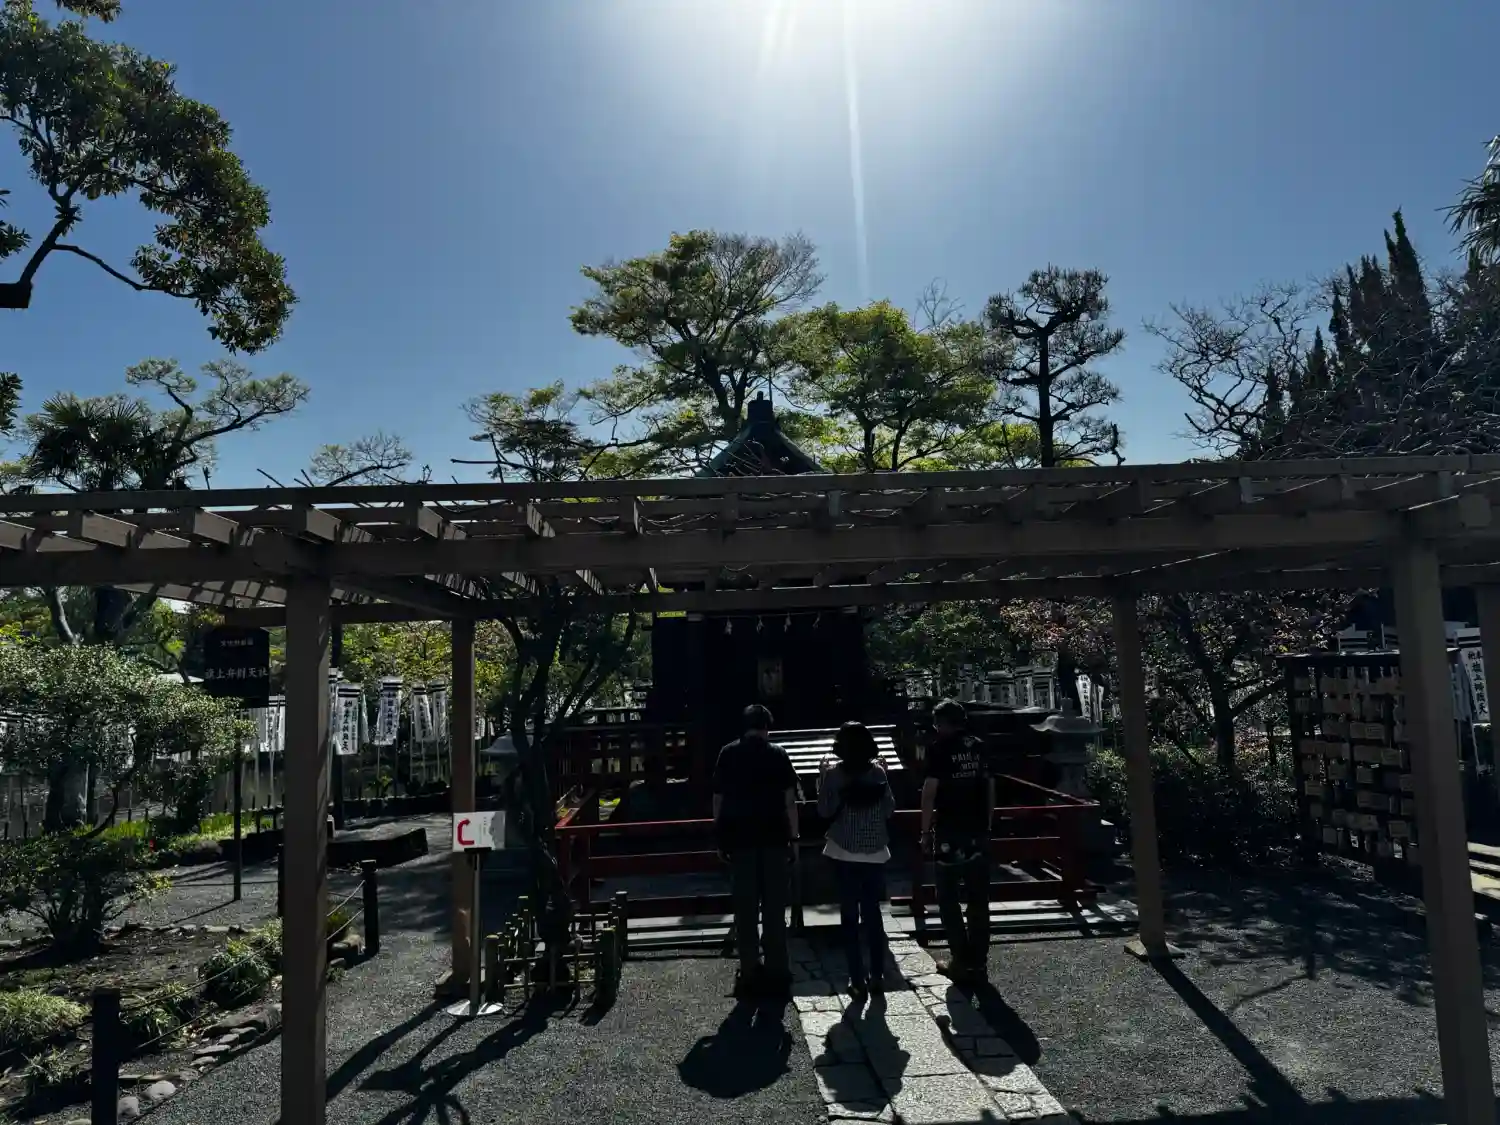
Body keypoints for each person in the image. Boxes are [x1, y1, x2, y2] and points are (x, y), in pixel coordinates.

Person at [713, 703, 800, 999]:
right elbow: (789, 801)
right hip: (774, 839)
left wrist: (720, 838)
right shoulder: (778, 754)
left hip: (740, 840)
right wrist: (794, 838)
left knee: (746, 910)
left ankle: (750, 971)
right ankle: (778, 970)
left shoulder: (728, 754)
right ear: (767, 727)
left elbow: (718, 799)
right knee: (774, 909)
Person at [817, 721, 896, 1001]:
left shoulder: (834, 775)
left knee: (849, 918)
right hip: (874, 852)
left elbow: (824, 811)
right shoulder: (877, 773)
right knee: (873, 916)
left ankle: (856, 979)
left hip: (843, 851)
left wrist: (821, 780)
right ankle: (877, 976)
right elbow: (889, 810)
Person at [919, 698, 994, 985]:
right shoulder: (979, 746)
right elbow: (990, 786)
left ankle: (960, 959)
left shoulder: (939, 749)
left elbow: (929, 791)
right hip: (978, 830)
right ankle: (979, 961)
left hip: (950, 830)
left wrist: (925, 831)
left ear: (941, 724)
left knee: (948, 898)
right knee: (978, 899)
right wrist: (988, 824)